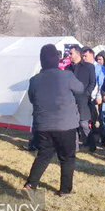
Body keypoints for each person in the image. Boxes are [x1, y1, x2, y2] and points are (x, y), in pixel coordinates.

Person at [23, 44, 84, 195]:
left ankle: (30, 185)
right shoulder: (66, 75)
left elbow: (32, 99)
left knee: (43, 155)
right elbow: (81, 89)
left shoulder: (34, 80)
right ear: (56, 59)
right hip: (65, 124)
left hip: (43, 125)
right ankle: (65, 190)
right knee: (67, 158)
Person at [66, 45, 96, 151]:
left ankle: (90, 145)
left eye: (71, 53)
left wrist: (86, 94)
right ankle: (75, 147)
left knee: (84, 124)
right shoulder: (68, 68)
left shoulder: (89, 67)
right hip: (70, 101)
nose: (69, 55)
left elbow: (92, 82)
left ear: (78, 54)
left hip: (83, 100)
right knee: (72, 124)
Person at [82, 46, 105, 152]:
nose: (84, 58)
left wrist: (99, 96)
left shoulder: (99, 68)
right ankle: (88, 141)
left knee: (96, 121)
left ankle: (100, 139)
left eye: (85, 56)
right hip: (85, 97)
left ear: (92, 55)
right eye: (83, 56)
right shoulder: (84, 66)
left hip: (95, 98)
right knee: (86, 120)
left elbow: (101, 83)